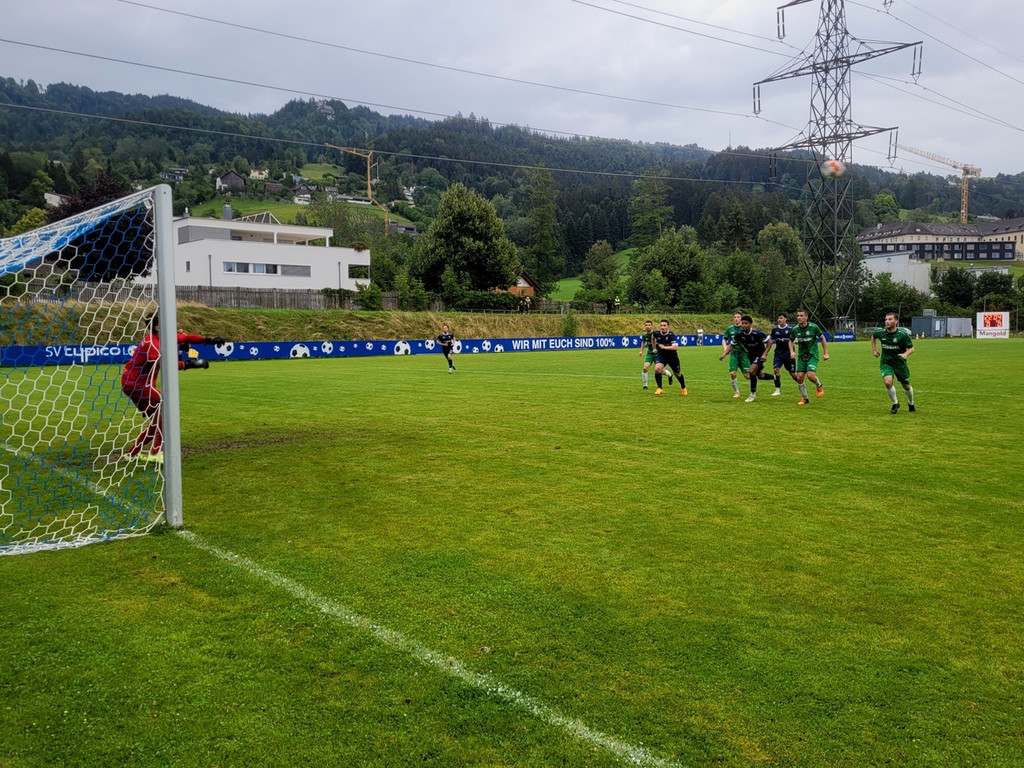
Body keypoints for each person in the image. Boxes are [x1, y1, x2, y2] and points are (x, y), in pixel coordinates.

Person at [121, 313, 223, 462]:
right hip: (136, 384)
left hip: (141, 383)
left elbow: (185, 338)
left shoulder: (163, 338)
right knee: (165, 409)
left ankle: (132, 454)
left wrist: (209, 340)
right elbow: (166, 364)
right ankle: (156, 453)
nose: (172, 327)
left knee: (158, 421)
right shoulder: (151, 343)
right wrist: (192, 364)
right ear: (157, 327)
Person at [719, 315, 774, 402]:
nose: (744, 325)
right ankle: (775, 378)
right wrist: (724, 354)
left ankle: (752, 395)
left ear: (750, 324)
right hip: (750, 355)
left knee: (751, 371)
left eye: (746, 323)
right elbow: (732, 345)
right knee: (760, 375)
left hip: (759, 354)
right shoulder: (739, 334)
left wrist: (764, 354)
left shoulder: (757, 334)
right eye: (743, 323)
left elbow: (770, 342)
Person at [872, 312, 916, 414]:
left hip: (900, 363)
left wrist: (905, 354)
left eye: (890, 319)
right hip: (886, 362)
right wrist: (874, 350)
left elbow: (912, 348)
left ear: (896, 321)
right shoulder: (880, 332)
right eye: (886, 319)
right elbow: (873, 337)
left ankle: (911, 403)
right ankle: (895, 403)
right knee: (888, 382)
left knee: (906, 386)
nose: (887, 321)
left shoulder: (902, 334)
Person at [788, 309, 829, 405]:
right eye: (798, 315)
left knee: (810, 376)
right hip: (802, 356)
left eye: (801, 315)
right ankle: (805, 398)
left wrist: (826, 353)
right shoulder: (795, 329)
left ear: (806, 317)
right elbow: (790, 340)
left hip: (812, 355)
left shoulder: (813, 327)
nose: (799, 317)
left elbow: (822, 338)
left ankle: (819, 385)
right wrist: (792, 351)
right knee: (799, 377)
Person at [651, 319, 687, 396]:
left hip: (672, 356)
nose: (662, 327)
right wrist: (654, 348)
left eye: (664, 326)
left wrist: (664, 347)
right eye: (661, 325)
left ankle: (683, 387)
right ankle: (660, 388)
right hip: (662, 355)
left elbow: (675, 347)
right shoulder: (656, 333)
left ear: (668, 327)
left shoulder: (671, 335)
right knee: (657, 369)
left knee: (677, 373)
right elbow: (652, 338)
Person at [769, 313, 799, 396]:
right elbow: (770, 340)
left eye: (781, 318)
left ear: (785, 319)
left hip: (789, 354)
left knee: (793, 374)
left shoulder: (791, 329)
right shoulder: (775, 330)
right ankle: (777, 389)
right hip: (778, 354)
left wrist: (794, 346)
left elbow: (795, 339)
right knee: (776, 370)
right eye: (778, 318)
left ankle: (801, 384)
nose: (779, 320)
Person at [721, 311, 750, 398]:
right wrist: (725, 348)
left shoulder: (745, 328)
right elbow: (724, 339)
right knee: (733, 373)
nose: (736, 319)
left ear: (741, 318)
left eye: (738, 317)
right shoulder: (729, 329)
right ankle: (736, 392)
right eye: (735, 317)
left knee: (747, 376)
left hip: (744, 354)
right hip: (734, 354)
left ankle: (753, 389)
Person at [638, 319, 672, 390]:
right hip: (650, 353)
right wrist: (641, 351)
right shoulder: (644, 335)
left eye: (649, 325)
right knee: (645, 368)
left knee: (661, 371)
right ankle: (645, 385)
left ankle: (669, 375)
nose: (648, 327)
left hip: (658, 354)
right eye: (646, 325)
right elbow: (643, 342)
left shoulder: (656, 334)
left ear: (652, 326)